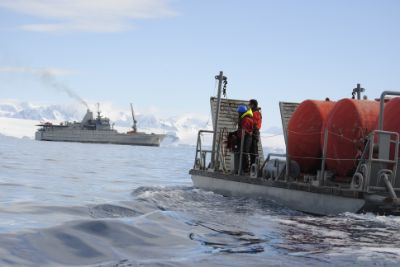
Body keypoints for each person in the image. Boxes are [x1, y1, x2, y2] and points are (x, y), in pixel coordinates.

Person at [233, 105, 254, 174]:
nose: (238, 114)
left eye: (239, 112)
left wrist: (237, 137)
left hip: (246, 137)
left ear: (241, 112)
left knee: (244, 152)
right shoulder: (246, 118)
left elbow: (243, 130)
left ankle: (245, 169)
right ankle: (243, 168)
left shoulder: (246, 119)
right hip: (245, 137)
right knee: (243, 152)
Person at [249, 99, 262, 165]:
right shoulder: (256, 112)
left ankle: (254, 165)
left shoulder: (255, 113)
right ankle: (253, 165)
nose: (249, 106)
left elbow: (254, 123)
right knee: (252, 149)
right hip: (254, 131)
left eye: (250, 104)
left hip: (254, 132)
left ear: (253, 105)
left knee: (254, 149)